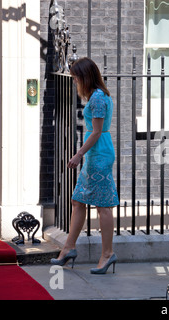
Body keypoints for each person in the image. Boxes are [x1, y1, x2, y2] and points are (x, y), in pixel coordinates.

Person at [51, 57, 120, 274]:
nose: (74, 82)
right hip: (95, 153)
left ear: (85, 77)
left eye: (76, 77)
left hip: (98, 153)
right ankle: (69, 248)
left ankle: (107, 253)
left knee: (103, 206)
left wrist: (79, 153)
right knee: (78, 201)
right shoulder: (97, 96)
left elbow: (97, 131)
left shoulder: (98, 98)